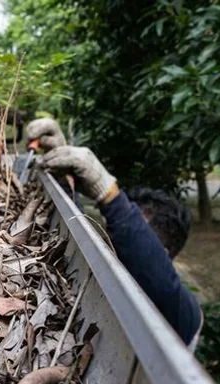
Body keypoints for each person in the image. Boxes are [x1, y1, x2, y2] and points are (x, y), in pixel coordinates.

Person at [27, 118, 203, 350]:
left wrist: (107, 192)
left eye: (129, 241)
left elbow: (149, 264)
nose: (112, 248)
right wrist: (62, 167)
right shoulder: (112, 272)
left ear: (162, 253)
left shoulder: (184, 314)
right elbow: (84, 238)